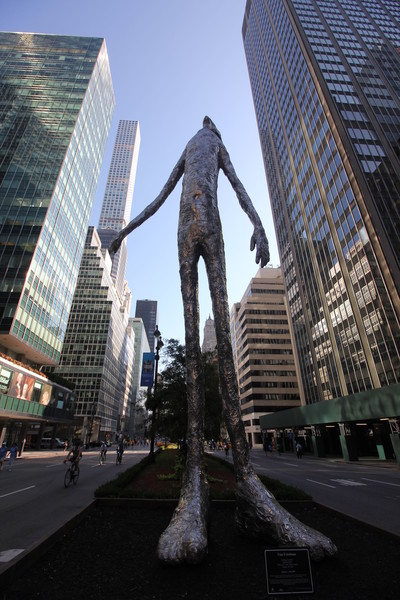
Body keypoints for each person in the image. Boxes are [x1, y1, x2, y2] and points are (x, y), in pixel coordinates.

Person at [109, 117, 336, 564]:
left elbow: (232, 186)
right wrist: (124, 230)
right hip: (189, 232)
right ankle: (195, 483)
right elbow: (162, 195)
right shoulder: (199, 143)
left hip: (204, 230)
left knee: (219, 350)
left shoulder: (210, 143)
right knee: (195, 347)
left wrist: (259, 225)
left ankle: (246, 483)